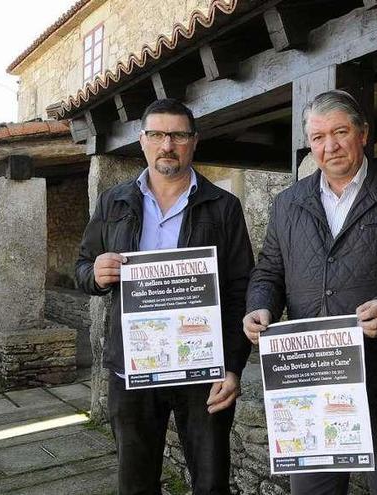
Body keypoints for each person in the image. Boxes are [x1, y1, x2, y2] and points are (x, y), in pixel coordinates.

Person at [243, 89, 377, 494]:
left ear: (363, 134)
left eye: (340, 132)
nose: (331, 145)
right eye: (319, 137)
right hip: (314, 382)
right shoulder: (288, 203)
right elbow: (269, 271)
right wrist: (260, 307)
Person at [75, 98, 253, 494]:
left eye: (177, 135)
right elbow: (83, 267)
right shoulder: (114, 202)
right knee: (135, 483)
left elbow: (242, 289)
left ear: (193, 141)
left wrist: (234, 365)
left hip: (203, 369)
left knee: (210, 483)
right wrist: (97, 275)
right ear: (143, 141)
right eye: (156, 134)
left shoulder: (224, 207)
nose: (166, 145)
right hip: (132, 369)